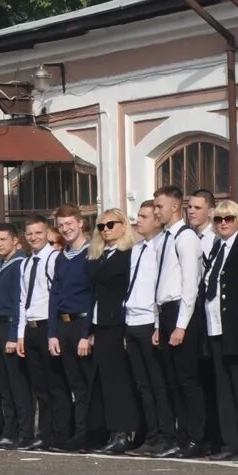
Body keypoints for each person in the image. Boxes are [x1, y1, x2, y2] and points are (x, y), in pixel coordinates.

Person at [204, 199, 238, 461]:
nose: (223, 223)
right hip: (215, 324)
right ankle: (229, 442)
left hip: (234, 323)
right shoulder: (217, 247)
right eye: (218, 219)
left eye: (228, 219)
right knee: (223, 386)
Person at [153, 184, 205, 458]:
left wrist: (181, 325)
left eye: (160, 206)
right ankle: (180, 436)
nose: (156, 211)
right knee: (172, 381)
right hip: (165, 311)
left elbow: (190, 284)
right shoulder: (164, 239)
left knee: (187, 380)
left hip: (181, 312)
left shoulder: (186, 238)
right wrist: (156, 322)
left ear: (175, 207)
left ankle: (196, 438)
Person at [122, 201, 174, 455]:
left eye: (143, 216)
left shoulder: (163, 246)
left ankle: (166, 435)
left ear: (157, 219)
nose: (138, 220)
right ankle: (150, 435)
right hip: (132, 320)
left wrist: (156, 323)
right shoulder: (137, 248)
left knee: (158, 384)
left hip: (149, 321)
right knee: (142, 385)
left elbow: (159, 286)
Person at [47, 205, 96, 452]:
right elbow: (55, 295)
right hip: (63, 325)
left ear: (80, 223)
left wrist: (87, 333)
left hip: (82, 323)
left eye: (69, 224)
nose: (66, 229)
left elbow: (92, 294)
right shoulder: (60, 256)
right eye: (61, 225)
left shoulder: (91, 253)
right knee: (71, 384)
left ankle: (85, 434)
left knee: (85, 385)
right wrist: (52, 333)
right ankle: (72, 433)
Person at [89, 210, 137, 455]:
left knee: (119, 379)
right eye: (101, 226)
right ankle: (109, 429)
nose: (105, 229)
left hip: (118, 320)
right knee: (105, 379)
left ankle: (123, 431)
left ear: (123, 225)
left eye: (110, 224)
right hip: (101, 322)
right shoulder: (98, 255)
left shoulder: (127, 254)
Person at [0, 223, 28, 450]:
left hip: (10, 328)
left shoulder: (19, 264)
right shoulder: (1, 267)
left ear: (15, 241)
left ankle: (24, 431)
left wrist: (13, 335)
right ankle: (9, 431)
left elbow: (19, 303)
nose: (0, 244)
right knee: (3, 386)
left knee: (17, 385)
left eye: (4, 240)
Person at [17, 216, 60, 451]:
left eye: (38, 233)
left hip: (47, 326)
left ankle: (53, 432)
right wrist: (20, 334)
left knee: (53, 384)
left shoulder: (53, 258)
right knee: (39, 387)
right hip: (31, 327)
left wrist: (54, 331)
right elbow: (23, 299)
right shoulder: (26, 262)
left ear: (47, 234)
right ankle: (42, 432)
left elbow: (55, 296)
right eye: (30, 233)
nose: (34, 237)